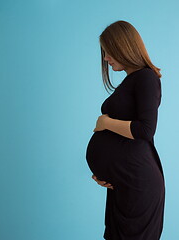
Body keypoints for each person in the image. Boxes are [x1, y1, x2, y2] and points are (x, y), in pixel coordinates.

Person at [86, 20, 165, 240]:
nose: (105, 58)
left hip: (139, 184)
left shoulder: (147, 78)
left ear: (124, 47)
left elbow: (146, 129)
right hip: (124, 184)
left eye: (109, 52)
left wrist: (105, 123)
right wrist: (104, 172)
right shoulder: (132, 81)